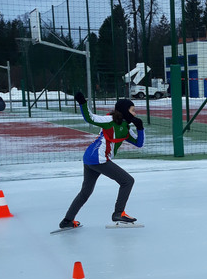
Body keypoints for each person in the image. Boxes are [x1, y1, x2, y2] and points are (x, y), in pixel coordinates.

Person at [58, 92, 145, 229]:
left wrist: (140, 128)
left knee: (85, 192)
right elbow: (90, 118)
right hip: (98, 158)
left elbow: (139, 143)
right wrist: (83, 103)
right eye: (132, 110)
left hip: (90, 158)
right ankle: (118, 213)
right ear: (124, 111)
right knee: (127, 181)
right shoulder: (109, 120)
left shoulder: (126, 128)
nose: (135, 113)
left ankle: (67, 220)